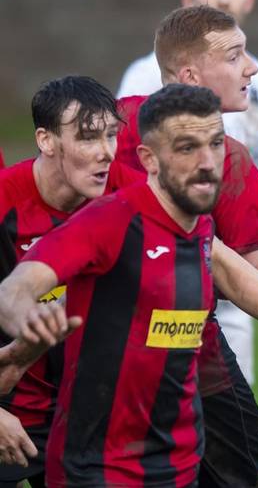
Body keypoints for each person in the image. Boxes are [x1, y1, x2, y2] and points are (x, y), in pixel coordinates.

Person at [0, 84, 258, 487]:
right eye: (187, 147)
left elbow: (232, 271)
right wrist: (28, 318)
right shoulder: (103, 219)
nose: (106, 151)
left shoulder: (184, 216)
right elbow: (17, 287)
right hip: (76, 442)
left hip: (164, 451)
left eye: (215, 143)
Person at [117, 3, 258, 386]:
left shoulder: (112, 123)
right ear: (191, 76)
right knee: (240, 446)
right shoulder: (229, 161)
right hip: (180, 342)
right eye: (234, 56)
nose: (251, 67)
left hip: (92, 337)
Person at [0, 76, 143, 487]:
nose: (106, 153)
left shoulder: (125, 190)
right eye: (87, 138)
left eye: (112, 135)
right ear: (46, 141)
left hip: (81, 415)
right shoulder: (6, 203)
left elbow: (210, 252)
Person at [117, 0, 258, 239]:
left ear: (249, 0)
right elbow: (121, 173)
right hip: (163, 243)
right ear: (188, 0)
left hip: (225, 244)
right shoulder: (146, 76)